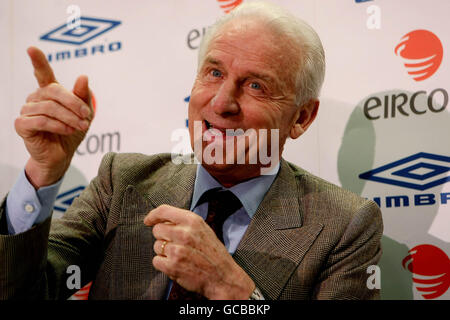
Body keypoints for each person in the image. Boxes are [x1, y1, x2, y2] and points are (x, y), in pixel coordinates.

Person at [0, 1, 383, 300]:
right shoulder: (125, 182)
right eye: (214, 73)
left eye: (255, 86)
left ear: (301, 117)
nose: (221, 103)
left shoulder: (345, 225)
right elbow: (20, 292)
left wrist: (236, 293)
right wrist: (42, 172)